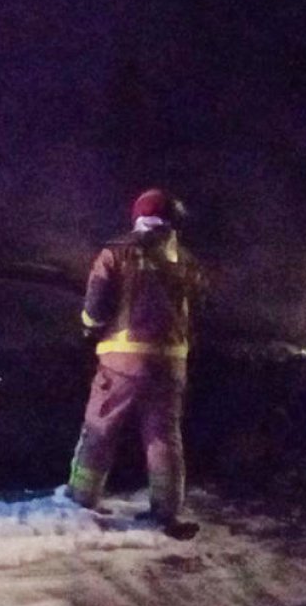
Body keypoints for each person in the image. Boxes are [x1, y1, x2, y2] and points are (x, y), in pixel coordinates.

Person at [67, 188, 205, 539]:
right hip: (171, 363)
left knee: (100, 429)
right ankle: (166, 511)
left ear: (138, 216)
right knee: (164, 438)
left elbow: (95, 308)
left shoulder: (116, 253)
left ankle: (81, 502)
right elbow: (196, 311)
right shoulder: (186, 261)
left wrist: (88, 328)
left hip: (122, 362)